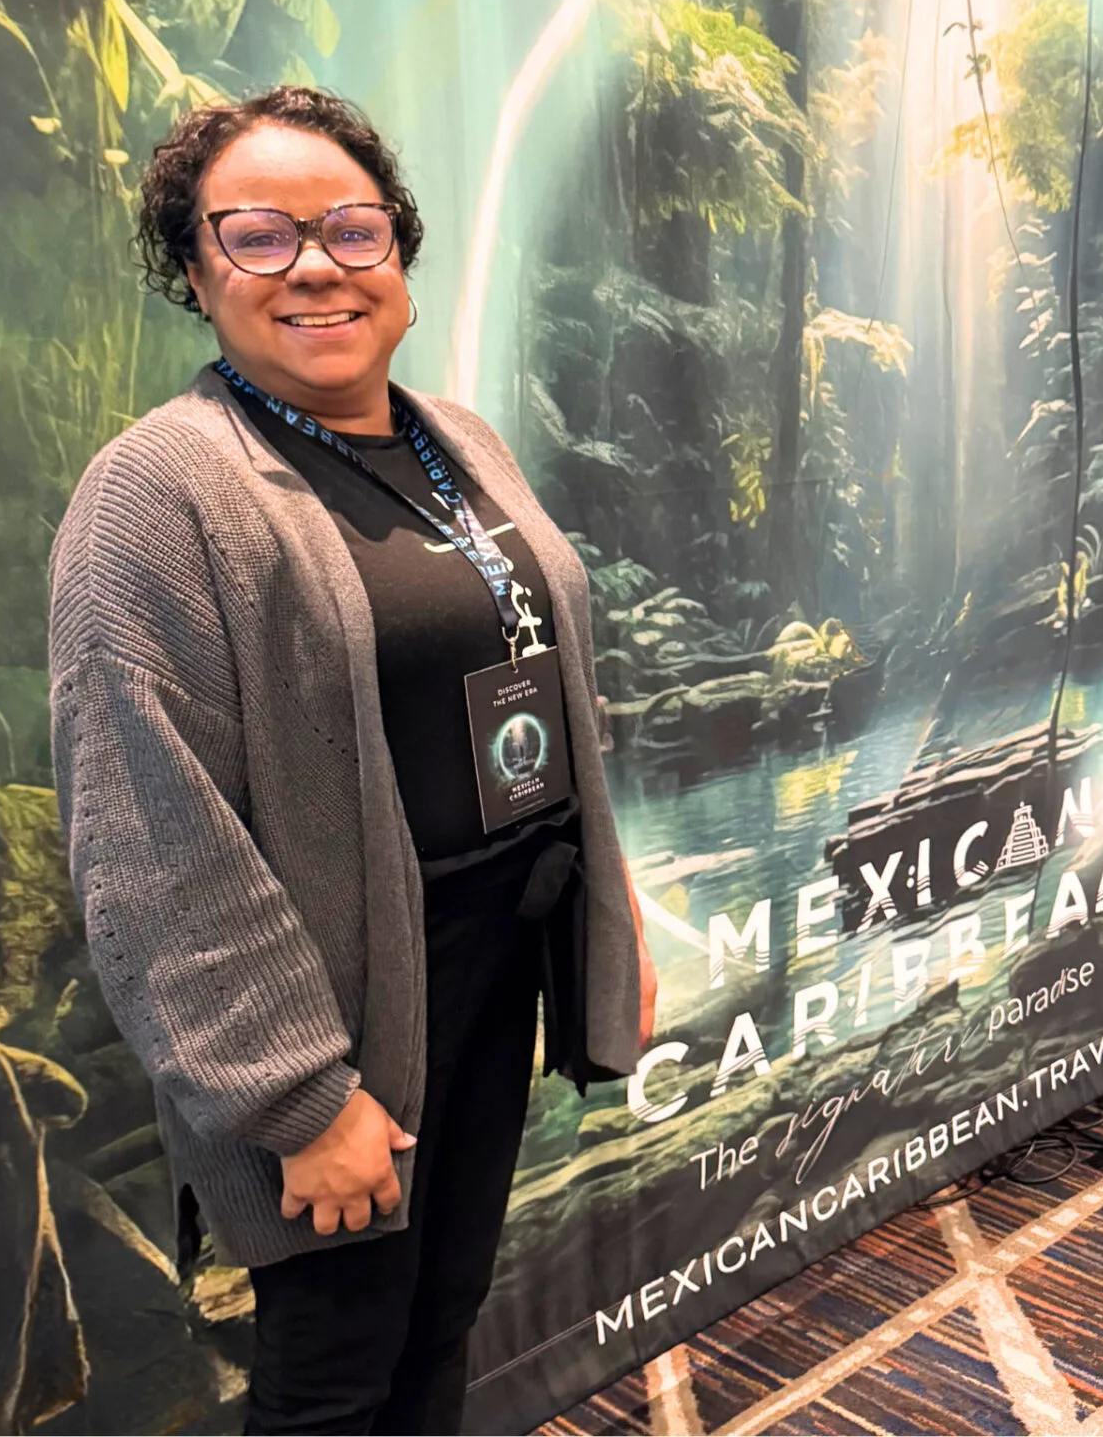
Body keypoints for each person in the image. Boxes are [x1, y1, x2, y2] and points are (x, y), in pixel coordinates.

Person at [48, 85, 657, 1435]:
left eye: (351, 229)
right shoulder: (158, 494)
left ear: (401, 260)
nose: (315, 263)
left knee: (437, 1329)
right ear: (196, 273)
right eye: (257, 236)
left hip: (495, 963)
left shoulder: (458, 443)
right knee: (336, 1375)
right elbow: (149, 838)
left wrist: (605, 919)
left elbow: (548, 691)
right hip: (335, 1008)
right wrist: (296, 1095)